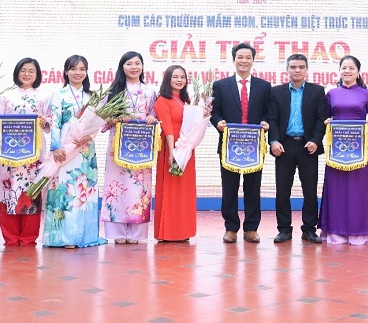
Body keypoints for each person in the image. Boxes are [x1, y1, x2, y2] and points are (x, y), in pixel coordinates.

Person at [211, 43, 271, 243]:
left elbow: (268, 112)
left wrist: (266, 122)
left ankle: (251, 228)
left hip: (254, 146)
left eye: (248, 57)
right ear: (233, 60)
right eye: (240, 57)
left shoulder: (264, 86)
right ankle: (231, 228)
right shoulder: (221, 85)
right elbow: (215, 112)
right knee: (229, 189)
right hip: (229, 146)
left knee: (253, 188)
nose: (244, 61)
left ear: (253, 60)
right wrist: (218, 122)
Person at [44, 55, 105, 248]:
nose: (78, 72)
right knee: (64, 188)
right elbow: (55, 122)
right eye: (73, 69)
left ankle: (84, 236)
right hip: (66, 147)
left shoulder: (93, 97)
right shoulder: (58, 94)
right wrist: (56, 147)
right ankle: (63, 237)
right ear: (66, 72)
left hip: (86, 149)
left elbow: (97, 122)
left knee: (85, 190)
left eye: (82, 69)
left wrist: (90, 136)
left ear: (86, 72)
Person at [319, 55, 368, 245]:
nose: (347, 71)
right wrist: (326, 121)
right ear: (339, 70)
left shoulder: (366, 94)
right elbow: (324, 117)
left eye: (351, 68)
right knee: (336, 190)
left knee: (359, 190)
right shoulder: (331, 94)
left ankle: (360, 233)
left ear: (358, 72)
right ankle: (335, 232)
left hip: (359, 150)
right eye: (344, 68)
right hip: (336, 150)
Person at [0, 58, 50, 246]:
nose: (27, 74)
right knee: (9, 190)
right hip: (9, 152)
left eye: (31, 71)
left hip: (34, 155)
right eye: (23, 70)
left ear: (37, 75)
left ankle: (28, 237)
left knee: (31, 191)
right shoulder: (5, 96)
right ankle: (10, 236)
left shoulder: (44, 97)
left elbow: (50, 125)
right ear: (17, 72)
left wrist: (45, 122)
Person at [268, 54, 327, 244]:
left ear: (307, 70)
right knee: (282, 190)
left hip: (308, 146)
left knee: (309, 190)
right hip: (283, 146)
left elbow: (321, 119)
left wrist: (316, 140)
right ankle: (284, 229)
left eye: (301, 67)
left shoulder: (317, 91)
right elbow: (272, 119)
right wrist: (273, 141)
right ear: (287, 69)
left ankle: (309, 229)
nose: (297, 70)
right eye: (293, 67)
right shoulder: (276, 92)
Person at [101, 51, 157, 244]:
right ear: (122, 67)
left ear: (142, 66)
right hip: (117, 145)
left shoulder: (150, 91)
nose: (134, 67)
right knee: (116, 186)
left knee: (139, 186)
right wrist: (116, 119)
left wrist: (152, 118)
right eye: (129, 64)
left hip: (142, 146)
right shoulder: (113, 91)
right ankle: (117, 232)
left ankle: (136, 233)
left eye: (137, 63)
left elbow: (154, 114)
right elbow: (101, 119)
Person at [154, 65, 204, 242]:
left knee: (184, 190)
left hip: (187, 147)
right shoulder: (163, 100)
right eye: (175, 77)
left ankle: (183, 231)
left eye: (182, 77)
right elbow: (167, 128)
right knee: (171, 188)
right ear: (168, 78)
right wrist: (171, 152)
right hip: (172, 146)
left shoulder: (186, 100)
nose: (179, 80)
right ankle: (168, 232)